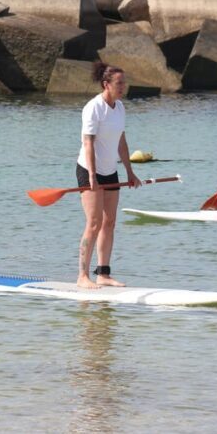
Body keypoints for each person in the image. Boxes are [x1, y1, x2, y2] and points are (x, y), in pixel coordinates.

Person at [76, 62, 141, 289]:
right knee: (93, 223)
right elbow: (88, 143)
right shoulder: (93, 108)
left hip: (110, 170)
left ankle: (103, 274)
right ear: (106, 84)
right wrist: (92, 177)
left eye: (124, 82)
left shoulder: (120, 107)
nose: (123, 86)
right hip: (88, 169)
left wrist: (130, 172)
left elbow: (121, 142)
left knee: (110, 222)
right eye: (119, 83)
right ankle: (82, 276)